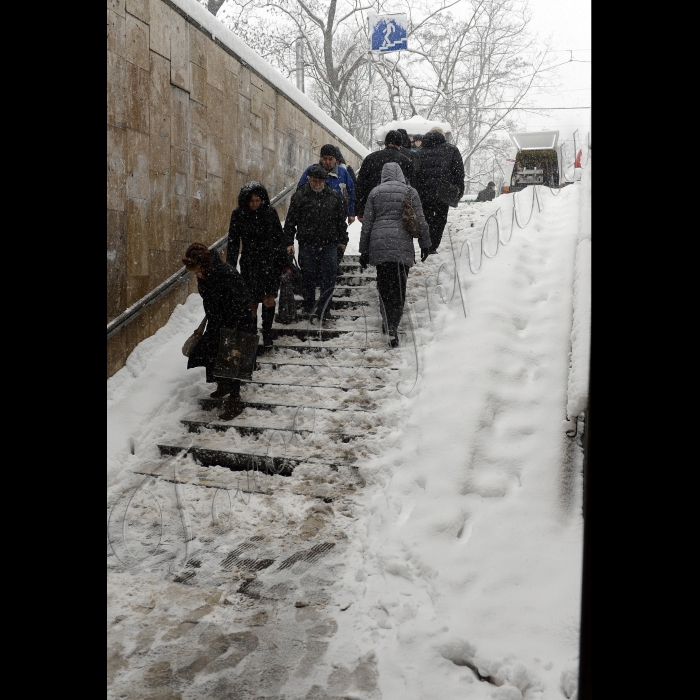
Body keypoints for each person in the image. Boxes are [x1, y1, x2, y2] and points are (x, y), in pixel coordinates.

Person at [358, 162, 431, 348]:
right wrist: (425, 244)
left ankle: (386, 320)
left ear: (383, 175)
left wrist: (363, 250)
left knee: (384, 286)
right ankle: (393, 325)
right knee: (399, 288)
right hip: (401, 246)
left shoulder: (375, 192)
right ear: (400, 174)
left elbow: (367, 224)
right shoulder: (410, 192)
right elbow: (420, 220)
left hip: (380, 244)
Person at [183, 243, 257, 421]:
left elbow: (242, 300)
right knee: (211, 353)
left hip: (237, 321)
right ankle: (222, 385)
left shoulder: (225, 273)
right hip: (219, 320)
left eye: (197, 270)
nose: (196, 274)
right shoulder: (206, 274)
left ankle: (235, 401)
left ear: (204, 264)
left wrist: (235, 325)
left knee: (233, 360)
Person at [226, 181, 290, 354]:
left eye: (257, 200)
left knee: (269, 298)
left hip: (269, 262)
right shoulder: (238, 215)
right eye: (251, 201)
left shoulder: (269, 213)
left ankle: (267, 332)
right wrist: (230, 268)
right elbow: (233, 242)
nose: (254, 204)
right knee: (251, 301)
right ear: (245, 200)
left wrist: (285, 263)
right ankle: (252, 333)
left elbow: (279, 238)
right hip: (249, 263)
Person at [284, 164, 348, 321]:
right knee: (308, 275)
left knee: (329, 275)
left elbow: (340, 221)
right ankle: (308, 304)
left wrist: (342, 239)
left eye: (320, 181)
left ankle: (325, 307)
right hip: (307, 242)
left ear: (324, 181)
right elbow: (291, 221)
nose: (317, 184)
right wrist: (288, 241)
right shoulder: (299, 196)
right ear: (309, 180)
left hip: (329, 243)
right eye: (314, 181)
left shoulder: (333, 196)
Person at [415, 126, 465, 255]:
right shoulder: (451, 150)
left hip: (423, 193)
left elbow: (414, 174)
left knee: (425, 219)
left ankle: (425, 245)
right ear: (442, 136)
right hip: (444, 192)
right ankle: (433, 246)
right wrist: (458, 191)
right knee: (440, 220)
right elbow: (459, 173)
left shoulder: (419, 152)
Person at [355, 130, 414, 221]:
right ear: (400, 145)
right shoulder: (406, 162)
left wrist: (360, 209)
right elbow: (411, 188)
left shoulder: (370, 159)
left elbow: (361, 185)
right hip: (398, 210)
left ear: (385, 143)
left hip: (373, 208)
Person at [298, 144, 356, 224]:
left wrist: (351, 213)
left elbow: (351, 193)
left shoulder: (343, 173)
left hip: (337, 217)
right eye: (324, 159)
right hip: (312, 217)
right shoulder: (311, 171)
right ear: (321, 158)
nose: (327, 162)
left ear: (335, 159)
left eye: (330, 159)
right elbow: (300, 191)